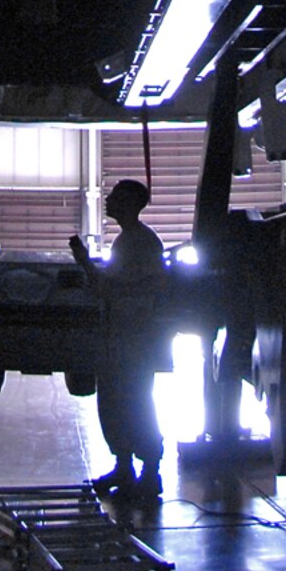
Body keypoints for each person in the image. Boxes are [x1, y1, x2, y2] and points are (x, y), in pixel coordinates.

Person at [71, 178, 166, 502]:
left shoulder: (141, 243)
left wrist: (85, 263)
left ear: (129, 204)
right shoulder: (129, 242)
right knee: (116, 402)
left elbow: (123, 288)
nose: (108, 200)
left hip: (133, 339)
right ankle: (124, 465)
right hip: (121, 336)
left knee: (135, 402)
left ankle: (149, 470)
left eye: (114, 197)